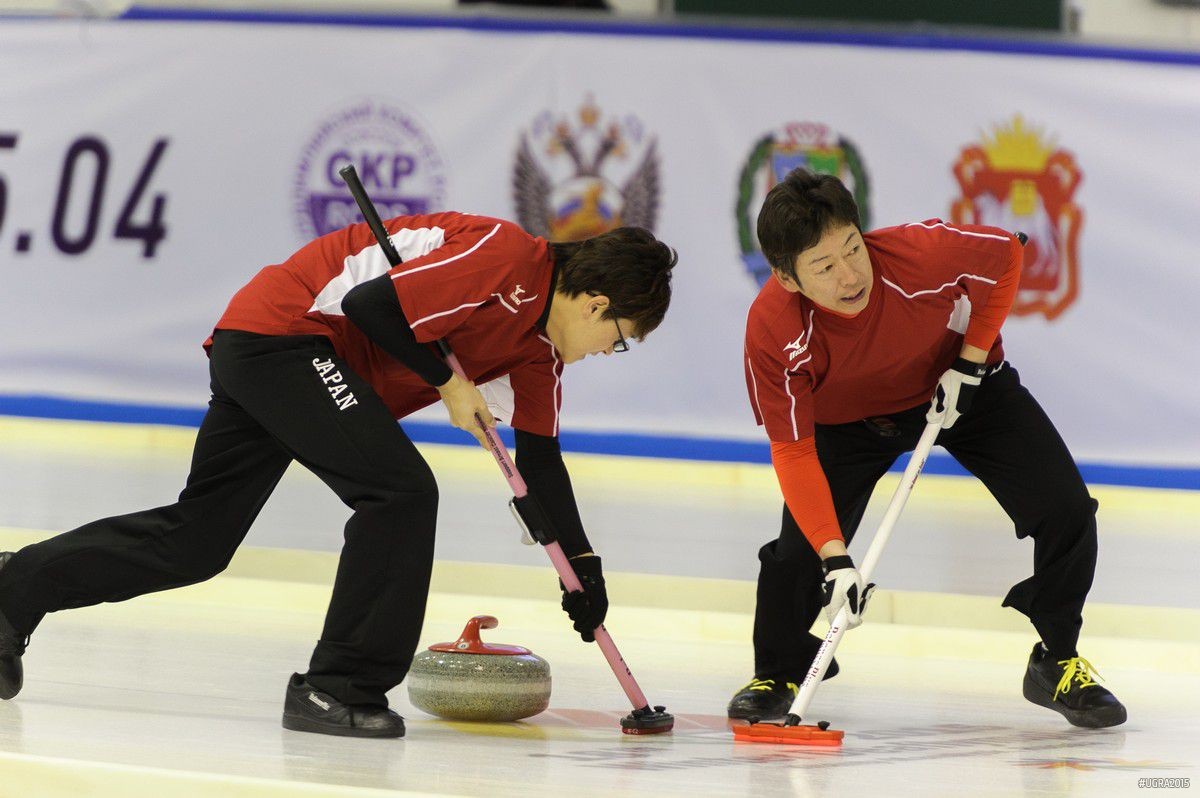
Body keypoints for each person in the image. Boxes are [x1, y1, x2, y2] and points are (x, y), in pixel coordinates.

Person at [0, 212, 676, 739]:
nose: (607, 350)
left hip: (286, 357)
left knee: (197, 542)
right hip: (287, 334)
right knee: (401, 493)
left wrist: (583, 570)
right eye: (620, 339)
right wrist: (447, 381)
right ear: (595, 304)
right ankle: (338, 687)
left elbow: (541, 465)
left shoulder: (539, 354)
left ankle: (13, 589)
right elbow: (371, 305)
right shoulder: (507, 257)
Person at [728, 168, 1125, 729]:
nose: (850, 275)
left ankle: (1057, 659)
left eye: (852, 248)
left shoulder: (922, 255)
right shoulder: (773, 329)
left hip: (961, 387)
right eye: (824, 266)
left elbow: (1007, 256)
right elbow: (793, 452)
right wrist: (836, 559)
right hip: (847, 423)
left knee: (1066, 509)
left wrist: (971, 360)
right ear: (786, 278)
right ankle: (779, 669)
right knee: (801, 553)